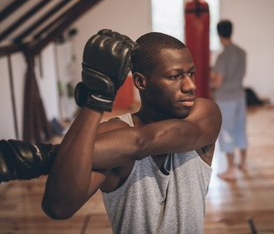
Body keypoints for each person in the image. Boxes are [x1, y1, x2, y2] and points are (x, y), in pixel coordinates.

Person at [0, 30, 221, 234]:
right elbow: (58, 208)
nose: (190, 85)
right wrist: (96, 100)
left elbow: (144, 141)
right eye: (175, 76)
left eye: (191, 73)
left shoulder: (204, 114)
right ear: (140, 82)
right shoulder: (114, 133)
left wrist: (46, 158)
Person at [210, 19, 248, 181]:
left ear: (218, 34)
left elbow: (218, 82)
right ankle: (243, 164)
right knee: (240, 129)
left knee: (226, 133)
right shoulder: (242, 52)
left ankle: (231, 170)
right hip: (240, 96)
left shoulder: (222, 57)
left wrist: (209, 81)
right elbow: (243, 74)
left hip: (226, 99)